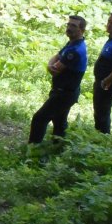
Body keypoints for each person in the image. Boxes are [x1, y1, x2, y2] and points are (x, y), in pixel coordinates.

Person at [29, 15, 88, 144]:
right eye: (68, 24)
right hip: (65, 92)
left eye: (73, 26)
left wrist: (50, 66)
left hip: (64, 93)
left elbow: (55, 70)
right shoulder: (71, 44)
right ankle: (58, 149)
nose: (69, 28)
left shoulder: (75, 51)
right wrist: (50, 64)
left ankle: (32, 149)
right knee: (59, 122)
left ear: (81, 30)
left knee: (39, 118)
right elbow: (55, 57)